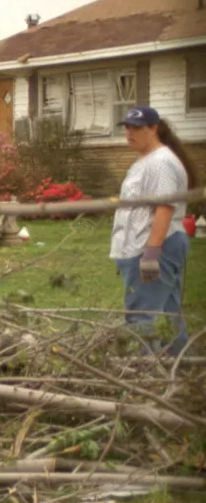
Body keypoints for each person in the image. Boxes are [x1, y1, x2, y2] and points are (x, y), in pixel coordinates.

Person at [111, 105, 197, 356]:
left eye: (137, 127)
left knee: (142, 318)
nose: (129, 132)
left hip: (156, 246)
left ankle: (144, 380)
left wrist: (150, 254)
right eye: (127, 127)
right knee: (170, 316)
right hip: (148, 246)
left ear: (154, 128)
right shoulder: (146, 159)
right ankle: (185, 373)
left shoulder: (161, 162)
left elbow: (164, 207)